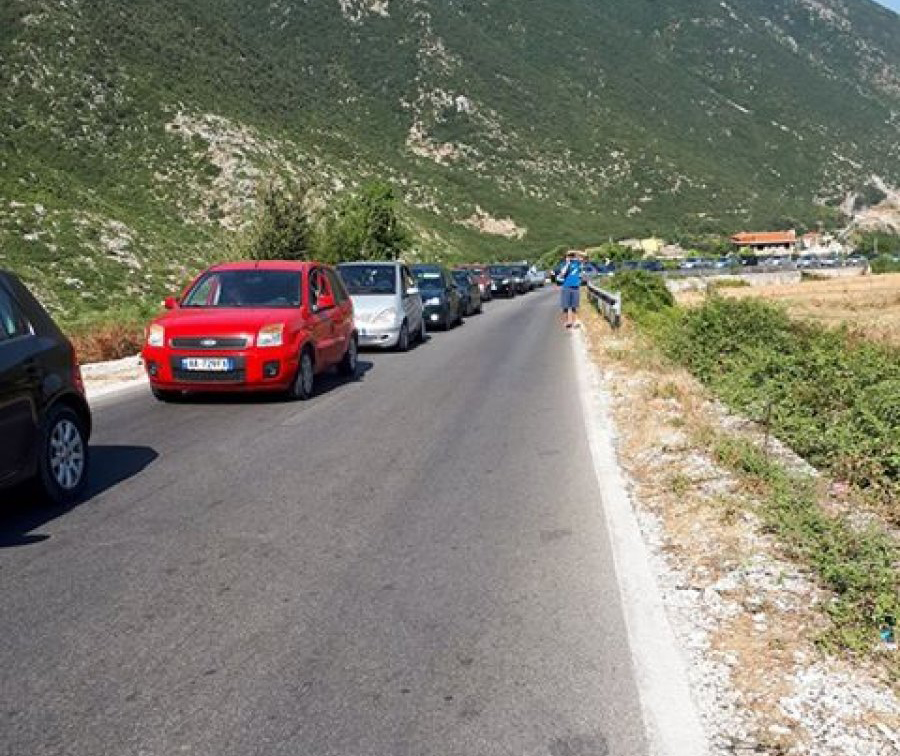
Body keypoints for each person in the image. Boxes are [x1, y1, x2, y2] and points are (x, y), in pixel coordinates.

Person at [558, 251, 583, 329]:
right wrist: (567, 264)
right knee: (565, 306)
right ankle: (567, 322)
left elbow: (584, 257)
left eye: (572, 256)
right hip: (566, 287)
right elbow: (562, 274)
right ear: (565, 257)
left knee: (574, 306)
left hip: (575, 287)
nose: (570, 257)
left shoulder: (577, 264)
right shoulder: (563, 265)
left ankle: (575, 322)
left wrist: (575, 253)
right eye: (568, 256)